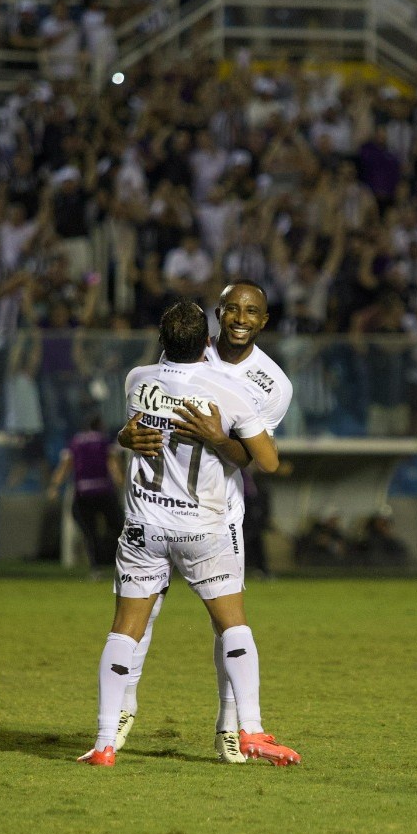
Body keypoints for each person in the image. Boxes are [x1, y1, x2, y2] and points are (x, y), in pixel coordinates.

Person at [80, 300, 298, 767]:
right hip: (203, 526)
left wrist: (126, 436)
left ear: (161, 342)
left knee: (125, 630)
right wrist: (220, 436)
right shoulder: (230, 391)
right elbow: (269, 461)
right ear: (208, 340)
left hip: (145, 524)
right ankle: (252, 729)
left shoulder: (136, 380)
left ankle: (103, 740)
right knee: (233, 625)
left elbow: (140, 425)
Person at [47, 415, 124, 577]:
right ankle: (127, 564)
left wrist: (54, 486)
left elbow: (65, 465)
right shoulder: (104, 440)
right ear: (99, 425)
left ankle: (96, 569)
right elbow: (113, 464)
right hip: (104, 491)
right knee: (119, 528)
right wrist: (120, 482)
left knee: (90, 532)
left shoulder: (75, 442)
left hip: (83, 492)